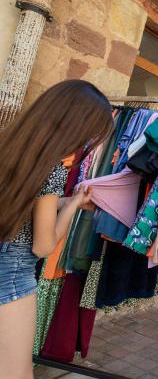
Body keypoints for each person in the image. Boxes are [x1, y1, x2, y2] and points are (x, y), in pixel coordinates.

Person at [0, 80, 113, 378]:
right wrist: (74, 205)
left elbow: (25, 205)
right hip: (12, 277)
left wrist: (64, 201)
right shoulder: (52, 167)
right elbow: (43, 246)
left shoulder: (10, 145)